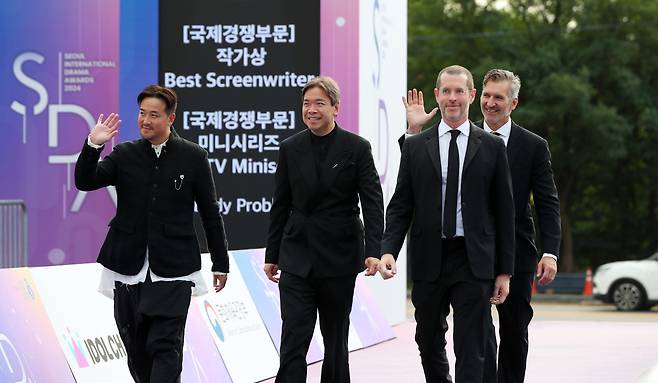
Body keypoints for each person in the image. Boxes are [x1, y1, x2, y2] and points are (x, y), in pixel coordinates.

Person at [401, 69, 561, 382]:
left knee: (514, 329)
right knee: (479, 333)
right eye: (486, 95)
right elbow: (421, 175)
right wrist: (413, 131)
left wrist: (550, 251)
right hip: (474, 253)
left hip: (517, 251)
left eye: (498, 97)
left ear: (513, 103)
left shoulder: (533, 146)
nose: (490, 103)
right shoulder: (460, 134)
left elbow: (547, 203)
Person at [75, 84, 229, 383]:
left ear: (170, 119)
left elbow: (210, 212)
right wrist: (93, 145)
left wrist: (220, 262)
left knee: (166, 346)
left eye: (154, 115)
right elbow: (85, 181)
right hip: (127, 265)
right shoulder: (124, 153)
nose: (145, 120)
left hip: (174, 269)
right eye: (142, 113)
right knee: (137, 350)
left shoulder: (193, 156)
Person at [379, 65, 515, 382]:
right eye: (446, 91)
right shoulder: (415, 146)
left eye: (459, 91)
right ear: (437, 95)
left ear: (471, 95)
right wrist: (388, 250)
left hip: (473, 260)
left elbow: (504, 211)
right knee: (427, 340)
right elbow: (401, 205)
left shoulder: (492, 146)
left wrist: (504, 271)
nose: (452, 98)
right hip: (430, 258)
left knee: (471, 345)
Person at [264, 76, 384, 383]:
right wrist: (272, 253)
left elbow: (372, 202)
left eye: (319, 103)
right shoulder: (290, 148)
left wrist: (374, 251)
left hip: (339, 258)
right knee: (294, 338)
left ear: (335, 108)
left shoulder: (356, 148)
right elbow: (280, 203)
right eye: (306, 103)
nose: (311, 109)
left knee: (335, 342)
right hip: (297, 257)